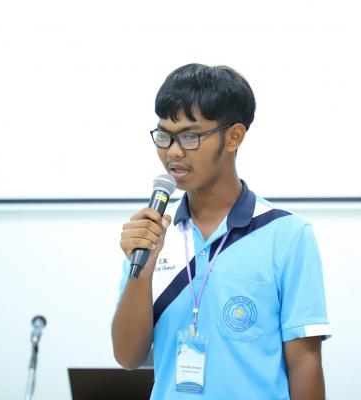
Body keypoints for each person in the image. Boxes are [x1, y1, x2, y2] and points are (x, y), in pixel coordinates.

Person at [112, 63, 331, 399]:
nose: (173, 151)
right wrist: (142, 270)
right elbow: (128, 357)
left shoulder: (286, 234)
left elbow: (304, 363)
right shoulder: (153, 233)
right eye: (164, 135)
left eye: (190, 136)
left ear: (234, 136)